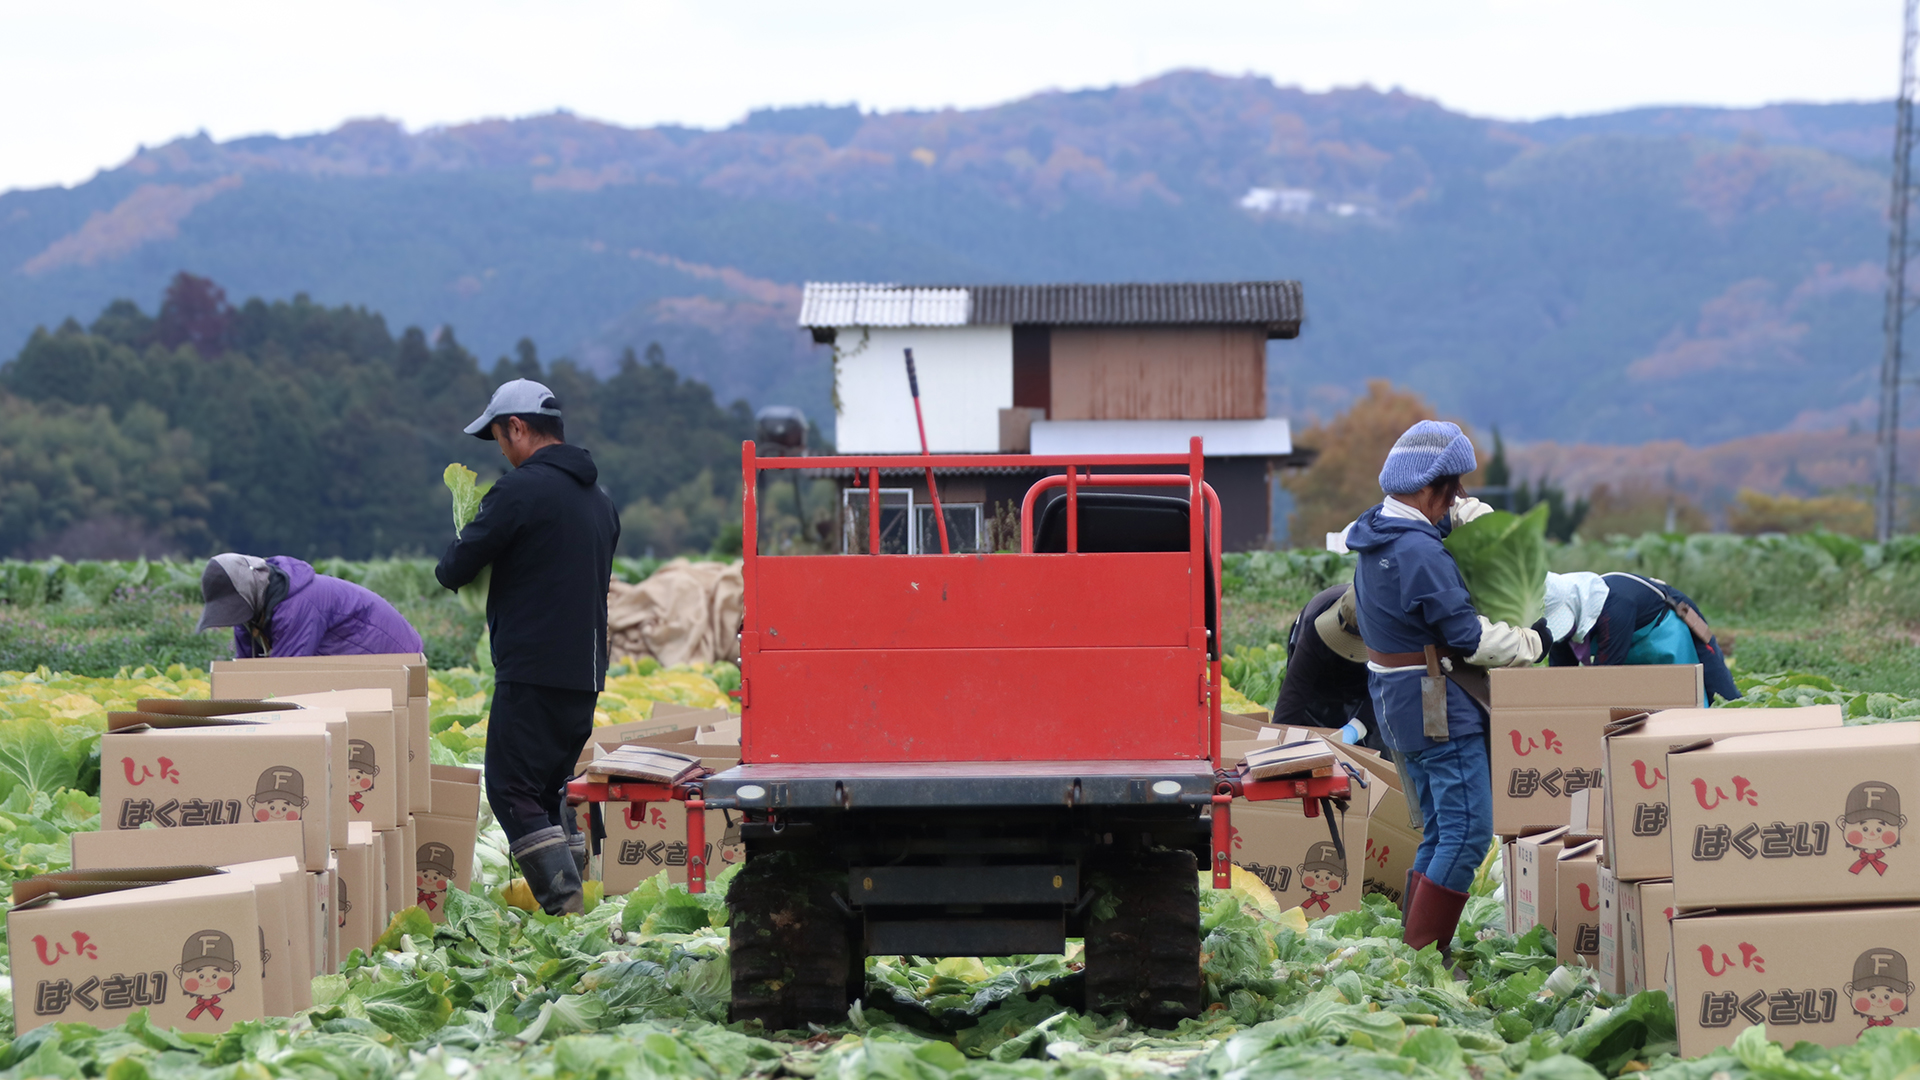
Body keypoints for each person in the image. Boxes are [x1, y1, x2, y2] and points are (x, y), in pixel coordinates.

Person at [1343, 420, 1547, 966]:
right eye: (1453, 490)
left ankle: (1416, 947)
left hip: (1396, 702)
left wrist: (1457, 522)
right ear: (1431, 487)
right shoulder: (1419, 553)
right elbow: (1466, 635)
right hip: (1437, 705)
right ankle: (1422, 953)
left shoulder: (1374, 536)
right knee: (1468, 831)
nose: (1455, 502)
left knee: (1440, 827)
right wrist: (1532, 640)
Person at [435, 379, 619, 915]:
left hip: (533, 668)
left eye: (498, 437)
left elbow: (453, 570)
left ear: (517, 427)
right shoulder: (601, 503)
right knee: (548, 790)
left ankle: (565, 910)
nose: (502, 451)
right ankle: (580, 901)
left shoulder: (519, 492)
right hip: (584, 672)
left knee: (512, 793)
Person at [1543, 571, 1740, 704]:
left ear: (1575, 605)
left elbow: (1603, 676)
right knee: (1647, 703)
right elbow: (1560, 676)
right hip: (1625, 641)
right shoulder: (1572, 615)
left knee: (1716, 691)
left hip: (1666, 626)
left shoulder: (1615, 608)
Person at [197, 553, 423, 658]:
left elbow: (285, 679)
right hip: (349, 660)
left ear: (248, 592)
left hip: (392, 655)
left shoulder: (298, 606)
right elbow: (245, 672)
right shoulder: (251, 610)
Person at [1273, 584, 1392, 757]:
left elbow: (1386, 688)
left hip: (1369, 678)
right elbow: (1292, 697)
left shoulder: (1393, 633)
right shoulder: (1313, 626)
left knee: (1378, 748)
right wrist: (1276, 751)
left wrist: (1356, 728)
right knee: (1305, 736)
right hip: (1321, 678)